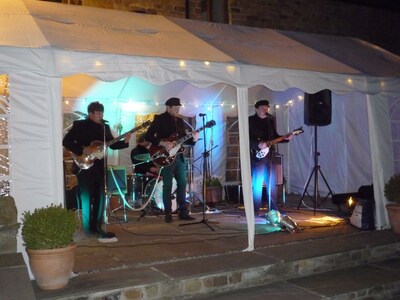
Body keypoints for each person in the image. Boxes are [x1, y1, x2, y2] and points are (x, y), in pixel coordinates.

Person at [63, 101, 131, 238]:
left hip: (99, 166)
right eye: (98, 113)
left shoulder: (104, 127)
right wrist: (82, 149)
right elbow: (66, 142)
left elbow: (111, 145)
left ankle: (98, 226)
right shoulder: (80, 125)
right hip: (84, 166)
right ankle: (88, 228)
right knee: (87, 197)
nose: (101, 115)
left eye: (102, 113)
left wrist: (125, 142)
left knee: (100, 196)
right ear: (91, 113)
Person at [145, 97, 199, 223]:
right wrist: (162, 143)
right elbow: (148, 136)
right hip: (165, 156)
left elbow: (183, 139)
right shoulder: (159, 119)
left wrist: (194, 139)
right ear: (168, 107)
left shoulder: (180, 121)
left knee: (182, 183)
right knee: (167, 185)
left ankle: (183, 212)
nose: (177, 110)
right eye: (175, 108)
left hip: (178, 156)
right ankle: (168, 212)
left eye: (179, 108)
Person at [248, 100, 292, 214]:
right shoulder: (250, 121)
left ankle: (273, 208)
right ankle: (255, 209)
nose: (266, 109)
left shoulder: (270, 120)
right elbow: (247, 137)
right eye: (263, 107)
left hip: (270, 154)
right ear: (257, 109)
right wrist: (257, 144)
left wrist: (285, 138)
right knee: (257, 182)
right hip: (257, 155)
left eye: (267, 107)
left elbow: (274, 137)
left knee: (271, 181)